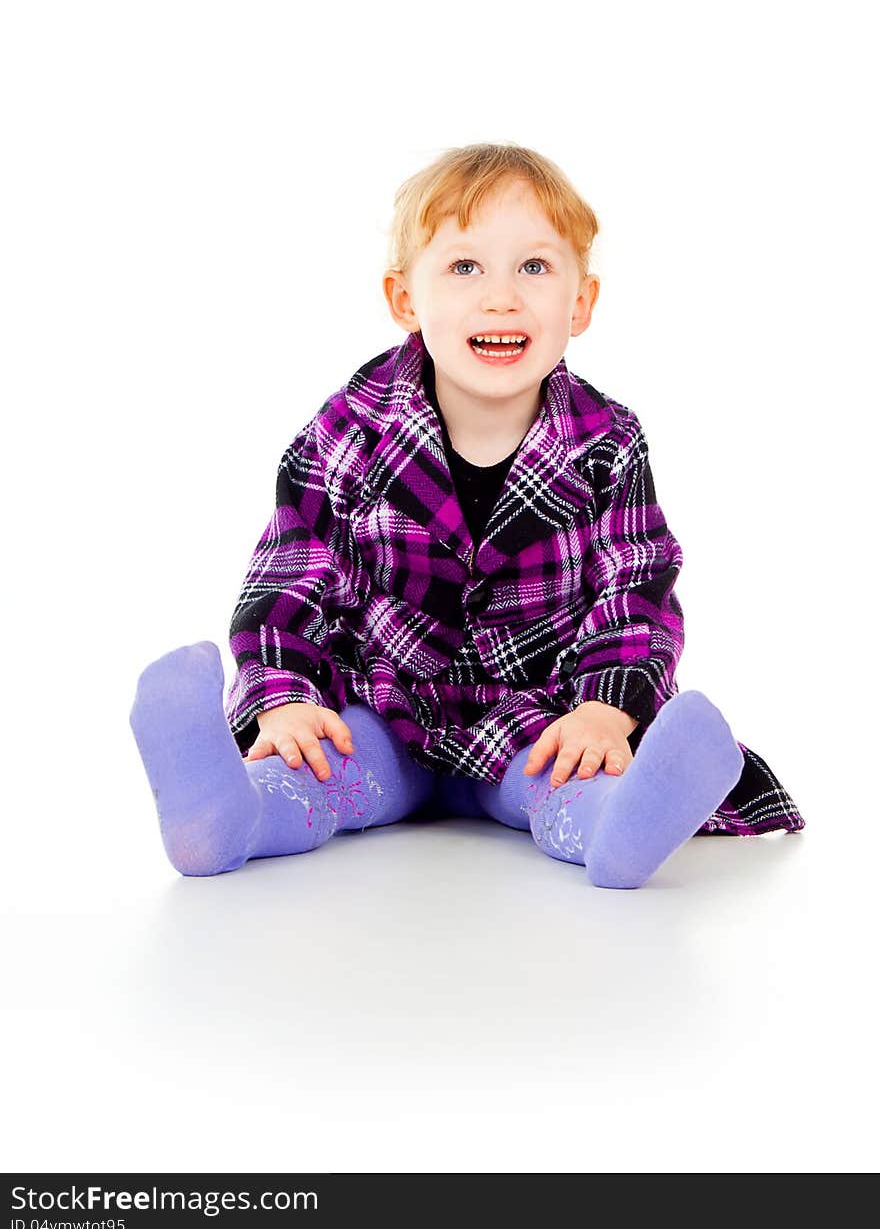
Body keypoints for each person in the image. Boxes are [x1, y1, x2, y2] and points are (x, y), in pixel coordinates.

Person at [129, 142, 804, 888]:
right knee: (325, 761)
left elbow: (636, 583)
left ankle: (617, 822)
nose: (502, 297)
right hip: (387, 702)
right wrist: (283, 695)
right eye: (465, 268)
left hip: (535, 713)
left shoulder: (606, 444)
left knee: (560, 776)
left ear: (581, 303)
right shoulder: (351, 426)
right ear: (404, 299)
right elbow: (294, 568)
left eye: (535, 268)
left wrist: (607, 711)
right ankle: (228, 814)